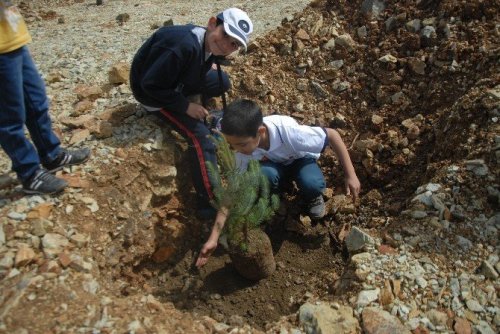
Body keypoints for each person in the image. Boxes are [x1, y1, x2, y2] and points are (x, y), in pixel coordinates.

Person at [196, 99, 361, 267]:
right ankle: (276, 192)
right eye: (233, 145)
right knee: (264, 175)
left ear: (260, 132)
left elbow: (332, 134)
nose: (238, 149)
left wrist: (351, 174)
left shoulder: (288, 133)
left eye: (242, 144)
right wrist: (213, 238)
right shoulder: (242, 151)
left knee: (312, 183)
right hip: (273, 166)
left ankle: (312, 197)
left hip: (299, 160)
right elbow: (230, 194)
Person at [130, 8, 253, 220]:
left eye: (233, 44)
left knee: (222, 81)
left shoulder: (206, 41)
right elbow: (149, 85)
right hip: (153, 94)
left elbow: (206, 59)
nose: (226, 45)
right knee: (202, 137)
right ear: (212, 23)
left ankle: (195, 103)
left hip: (175, 80)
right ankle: (209, 201)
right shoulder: (182, 46)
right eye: (225, 35)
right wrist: (186, 107)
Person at [0, 1, 90, 195]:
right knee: (10, 116)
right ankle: (29, 173)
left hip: (12, 37)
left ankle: (52, 154)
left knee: (36, 100)